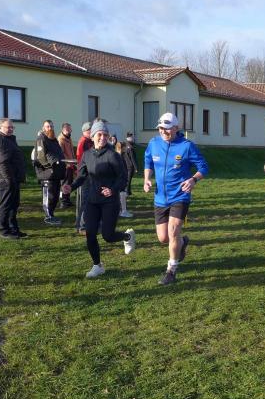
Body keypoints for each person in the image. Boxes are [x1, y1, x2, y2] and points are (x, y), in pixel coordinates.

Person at [143, 112, 209, 285]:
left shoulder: (187, 146)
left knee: (173, 232)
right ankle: (182, 242)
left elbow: (203, 166)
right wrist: (147, 179)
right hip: (160, 198)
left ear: (176, 128)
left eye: (167, 128)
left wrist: (193, 179)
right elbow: (148, 162)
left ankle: (171, 272)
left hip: (180, 196)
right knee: (163, 238)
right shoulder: (154, 143)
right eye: (160, 128)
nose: (163, 132)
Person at [63, 119, 135, 278]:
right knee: (90, 234)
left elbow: (123, 178)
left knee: (108, 236)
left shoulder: (112, 155)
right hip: (93, 200)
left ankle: (127, 236)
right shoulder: (87, 155)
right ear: (93, 136)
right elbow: (81, 176)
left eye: (105, 135)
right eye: (99, 135)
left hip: (110, 201)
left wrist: (112, 190)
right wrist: (71, 187)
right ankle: (97, 265)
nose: (102, 138)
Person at [0, 118, 27, 239]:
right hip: (4, 179)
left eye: (12, 127)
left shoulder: (9, 139)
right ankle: (4, 231)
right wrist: (9, 180)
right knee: (5, 205)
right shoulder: (0, 139)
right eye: (8, 127)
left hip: (12, 178)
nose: (11, 129)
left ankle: (13, 228)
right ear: (0, 127)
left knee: (14, 205)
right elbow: (2, 162)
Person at [34, 120, 67, 225]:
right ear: (43, 128)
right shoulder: (41, 138)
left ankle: (51, 215)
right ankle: (48, 217)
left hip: (56, 173)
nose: (50, 128)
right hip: (47, 173)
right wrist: (50, 168)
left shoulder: (53, 139)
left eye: (51, 126)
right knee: (49, 196)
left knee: (55, 196)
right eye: (47, 126)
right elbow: (41, 157)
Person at [74, 122, 92, 233]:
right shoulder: (84, 142)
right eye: (90, 130)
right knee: (85, 201)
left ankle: (84, 224)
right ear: (85, 131)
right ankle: (82, 226)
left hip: (90, 174)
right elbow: (82, 159)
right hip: (86, 175)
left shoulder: (88, 141)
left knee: (88, 200)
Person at [57, 122, 76, 207]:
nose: (70, 130)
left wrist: (73, 161)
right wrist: (68, 163)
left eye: (70, 129)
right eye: (68, 129)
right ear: (63, 129)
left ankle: (67, 200)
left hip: (71, 164)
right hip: (65, 165)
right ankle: (63, 201)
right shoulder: (61, 139)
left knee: (69, 182)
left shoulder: (69, 138)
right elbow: (61, 153)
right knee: (65, 183)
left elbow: (71, 151)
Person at [117, 135, 136, 218]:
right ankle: (123, 211)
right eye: (124, 147)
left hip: (120, 179)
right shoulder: (119, 156)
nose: (126, 148)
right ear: (122, 148)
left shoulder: (120, 155)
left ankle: (120, 211)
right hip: (120, 179)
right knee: (122, 195)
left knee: (120, 195)